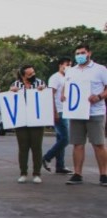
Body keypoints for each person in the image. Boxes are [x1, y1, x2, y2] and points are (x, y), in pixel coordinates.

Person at [64, 44, 107, 186]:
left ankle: (104, 174)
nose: (80, 55)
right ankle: (77, 174)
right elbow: (67, 87)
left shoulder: (100, 70)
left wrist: (99, 96)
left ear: (89, 53)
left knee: (98, 144)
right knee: (77, 144)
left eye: (82, 52)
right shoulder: (71, 71)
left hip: (95, 112)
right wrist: (64, 97)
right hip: (77, 112)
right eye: (77, 53)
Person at [10, 65, 47, 184]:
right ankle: (23, 172)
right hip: (21, 120)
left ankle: (37, 173)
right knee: (23, 147)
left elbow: (46, 98)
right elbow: (10, 100)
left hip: (36, 119)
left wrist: (44, 90)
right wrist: (12, 92)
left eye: (33, 72)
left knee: (37, 147)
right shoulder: (16, 84)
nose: (33, 75)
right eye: (29, 74)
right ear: (23, 76)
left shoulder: (40, 83)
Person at [42, 58, 74, 175]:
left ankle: (60, 165)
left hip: (66, 110)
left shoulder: (67, 77)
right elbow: (51, 95)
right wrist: (54, 111)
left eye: (70, 65)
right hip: (59, 111)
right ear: (60, 65)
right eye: (67, 64)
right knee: (66, 138)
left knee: (60, 139)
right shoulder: (55, 78)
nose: (69, 67)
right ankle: (47, 157)